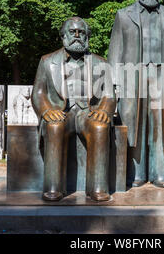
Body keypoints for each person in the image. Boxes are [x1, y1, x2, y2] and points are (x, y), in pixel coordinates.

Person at [108, 0, 164, 188]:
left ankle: (161, 173)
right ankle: (136, 173)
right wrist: (113, 82)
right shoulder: (123, 15)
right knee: (134, 124)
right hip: (131, 74)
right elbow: (115, 49)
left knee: (162, 127)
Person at [32, 17, 116, 202]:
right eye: (72, 32)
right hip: (62, 112)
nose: (77, 36)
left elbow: (109, 95)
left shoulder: (101, 63)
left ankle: (98, 188)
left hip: (88, 112)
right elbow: (38, 93)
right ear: (63, 35)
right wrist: (46, 111)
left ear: (87, 36)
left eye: (81, 32)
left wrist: (104, 111)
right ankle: (53, 188)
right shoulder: (47, 61)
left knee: (100, 127)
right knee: (54, 126)